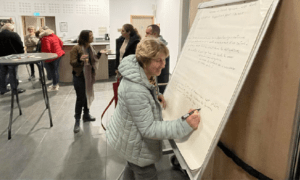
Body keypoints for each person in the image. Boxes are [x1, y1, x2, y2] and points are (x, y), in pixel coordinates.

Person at [106, 37, 200, 179]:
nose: (163, 65)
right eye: (159, 60)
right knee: (144, 172)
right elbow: (149, 128)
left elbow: (148, 86)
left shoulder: (143, 72)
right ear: (145, 60)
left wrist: (156, 94)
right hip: (136, 146)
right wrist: (184, 125)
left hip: (128, 138)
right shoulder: (135, 89)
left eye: (164, 60)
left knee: (131, 166)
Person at [70, 30, 107, 133]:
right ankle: (77, 121)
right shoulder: (76, 48)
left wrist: (99, 53)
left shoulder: (90, 48)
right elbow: (72, 62)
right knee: (80, 98)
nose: (92, 37)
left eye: (92, 35)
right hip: (79, 76)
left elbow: (94, 59)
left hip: (88, 76)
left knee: (87, 96)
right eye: (90, 35)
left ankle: (86, 115)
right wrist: (79, 60)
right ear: (85, 37)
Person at [0, 23, 26, 95]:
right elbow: (20, 45)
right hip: (13, 58)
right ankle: (14, 89)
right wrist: (21, 54)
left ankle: (2, 89)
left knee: (2, 73)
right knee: (13, 73)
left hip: (1, 58)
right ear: (11, 29)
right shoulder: (14, 34)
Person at [145, 24, 170, 94]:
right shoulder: (155, 45)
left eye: (147, 33)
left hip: (159, 81)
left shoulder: (160, 47)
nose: (145, 35)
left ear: (155, 34)